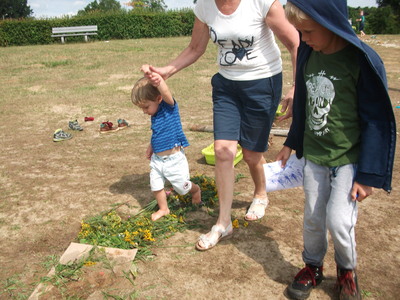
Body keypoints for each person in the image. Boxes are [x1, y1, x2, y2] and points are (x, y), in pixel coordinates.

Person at [142, 0, 299, 251]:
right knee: (223, 151)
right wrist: (166, 71)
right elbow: (195, 47)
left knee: (250, 154)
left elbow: (294, 42)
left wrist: (296, 86)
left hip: (262, 83)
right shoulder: (204, 6)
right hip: (227, 86)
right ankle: (223, 222)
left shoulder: (261, 2)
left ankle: (260, 193)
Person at [276, 1, 396, 299]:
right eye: (299, 32)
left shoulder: (360, 61)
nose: (303, 39)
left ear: (330, 21)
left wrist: (368, 175)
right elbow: (303, 103)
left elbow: (375, 120)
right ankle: (313, 267)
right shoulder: (308, 54)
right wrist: (292, 141)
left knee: (339, 219)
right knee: (313, 217)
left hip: (348, 159)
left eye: (308, 31)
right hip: (315, 156)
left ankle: (346, 271)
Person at [131, 65, 202, 221]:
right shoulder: (155, 115)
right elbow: (157, 133)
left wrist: (155, 78)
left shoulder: (169, 108)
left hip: (173, 160)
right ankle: (164, 209)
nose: (144, 111)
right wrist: (151, 146)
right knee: (155, 185)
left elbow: (165, 91)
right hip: (157, 160)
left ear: (158, 99)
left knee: (181, 188)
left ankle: (195, 190)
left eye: (146, 107)